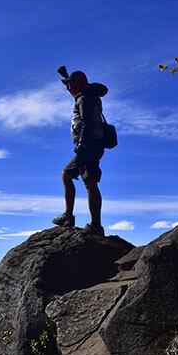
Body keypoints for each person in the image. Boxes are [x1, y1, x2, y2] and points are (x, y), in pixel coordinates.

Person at [52, 70, 108, 235]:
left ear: (77, 84)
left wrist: (82, 143)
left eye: (70, 84)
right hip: (94, 145)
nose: (68, 88)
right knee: (89, 181)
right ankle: (88, 222)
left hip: (89, 145)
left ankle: (75, 219)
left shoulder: (84, 98)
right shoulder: (88, 96)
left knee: (70, 175)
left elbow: (86, 122)